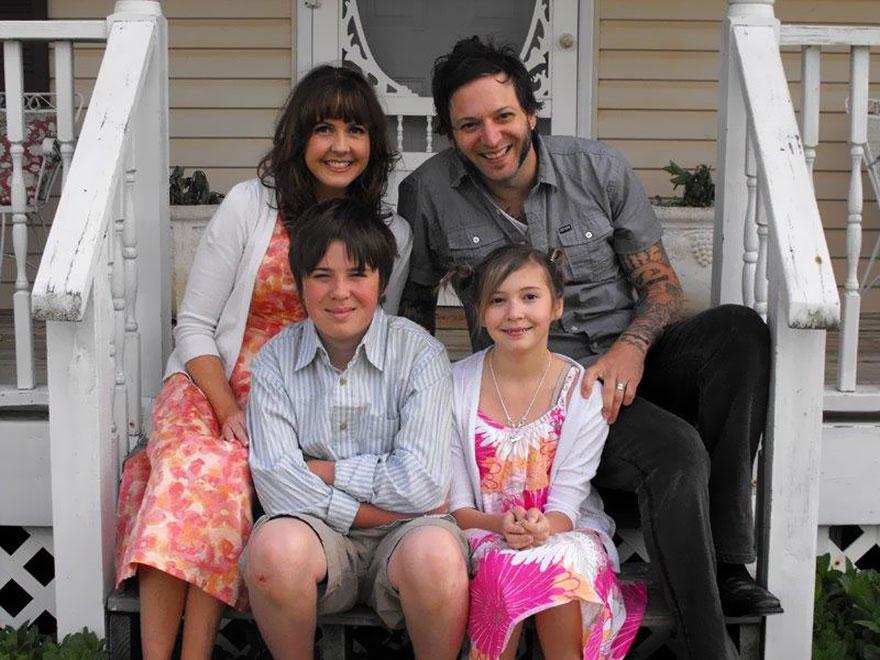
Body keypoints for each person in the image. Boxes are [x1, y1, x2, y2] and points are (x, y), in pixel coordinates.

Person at [397, 36, 780, 659]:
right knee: (675, 452)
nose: (490, 137)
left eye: (503, 116)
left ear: (531, 113)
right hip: (545, 393)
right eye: (469, 125)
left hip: (630, 361)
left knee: (738, 331)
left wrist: (633, 345)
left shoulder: (597, 168)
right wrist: (440, 403)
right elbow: (412, 310)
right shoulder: (428, 193)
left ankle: (729, 560)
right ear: (450, 132)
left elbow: (661, 285)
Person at [113, 65, 413, 659]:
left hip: (303, 404)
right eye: (323, 129)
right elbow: (194, 325)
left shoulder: (390, 233)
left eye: (355, 130)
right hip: (210, 384)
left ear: (373, 144)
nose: (340, 146)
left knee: (223, 473)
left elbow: (373, 339)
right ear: (299, 138)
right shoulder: (252, 205)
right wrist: (228, 409)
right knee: (205, 466)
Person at [242, 198, 469, 660]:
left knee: (437, 555)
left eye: (357, 274)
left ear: (382, 280)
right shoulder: (274, 361)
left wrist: (325, 470)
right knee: (274, 550)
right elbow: (279, 487)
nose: (339, 292)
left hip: (410, 536)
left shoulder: (420, 355)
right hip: (315, 535)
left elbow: (424, 484)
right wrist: (374, 513)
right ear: (300, 283)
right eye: (322, 275)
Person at [448, 245, 646, 660]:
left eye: (529, 297)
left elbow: (568, 505)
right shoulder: (454, 387)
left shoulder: (583, 393)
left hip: (564, 531)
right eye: (497, 300)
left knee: (554, 561)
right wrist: (501, 525)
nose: (514, 313)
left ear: (557, 306)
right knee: (505, 567)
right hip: (484, 533)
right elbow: (460, 507)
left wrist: (541, 530)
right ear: (480, 312)